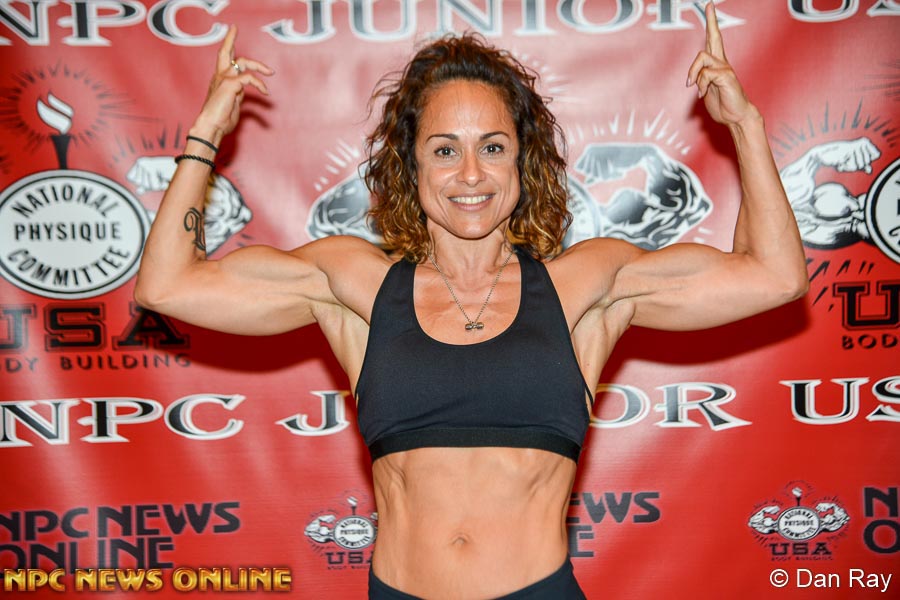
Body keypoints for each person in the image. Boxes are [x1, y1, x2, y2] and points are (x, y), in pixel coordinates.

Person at [134, 3, 808, 598]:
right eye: (443, 150)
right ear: (411, 165)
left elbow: (773, 276)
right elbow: (168, 286)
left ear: (522, 160)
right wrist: (206, 135)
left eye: (492, 147)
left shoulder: (585, 285)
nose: (470, 175)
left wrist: (744, 125)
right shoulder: (355, 285)